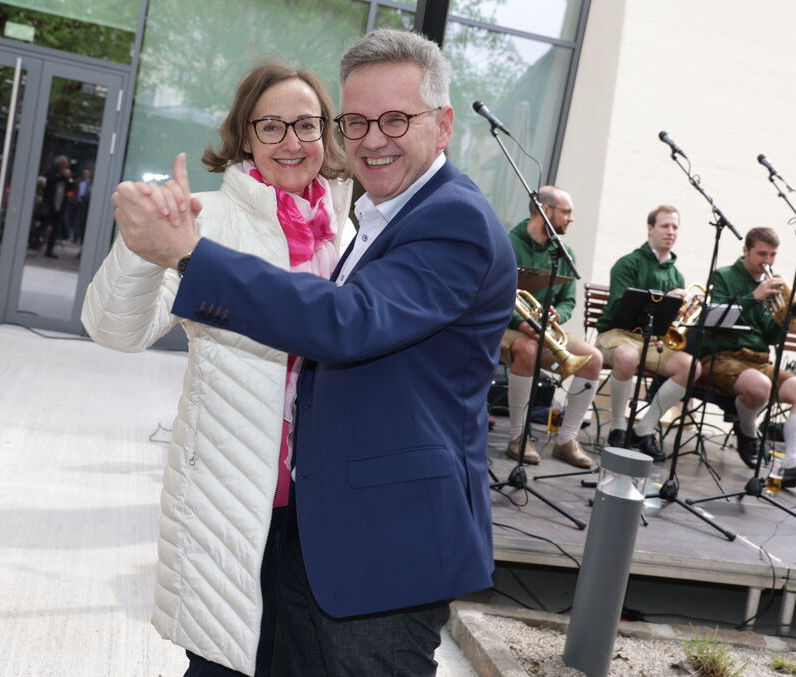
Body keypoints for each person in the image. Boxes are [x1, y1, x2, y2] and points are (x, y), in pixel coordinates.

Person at [108, 29, 515, 677]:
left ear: (442, 126)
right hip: (313, 530)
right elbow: (118, 325)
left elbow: (347, 323)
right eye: (357, 121)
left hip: (388, 542)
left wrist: (191, 256)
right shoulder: (374, 215)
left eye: (395, 119)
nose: (372, 139)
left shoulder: (452, 218)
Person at [83, 62, 352, 676]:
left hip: (320, 504)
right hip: (231, 498)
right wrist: (144, 248)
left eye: (306, 125)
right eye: (271, 126)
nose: (291, 142)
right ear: (245, 135)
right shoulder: (206, 219)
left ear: (326, 130)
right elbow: (116, 331)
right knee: (222, 666)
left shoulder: (346, 228)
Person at [699, 226, 796, 487]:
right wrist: (753, 298)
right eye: (761, 254)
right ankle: (747, 431)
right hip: (722, 355)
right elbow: (715, 321)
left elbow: (769, 337)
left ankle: (793, 463)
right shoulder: (723, 276)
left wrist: (785, 320)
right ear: (746, 250)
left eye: (772, 255)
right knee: (760, 387)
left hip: (759, 360)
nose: (767, 261)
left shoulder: (773, 286)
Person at [501, 188, 601, 469]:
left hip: (544, 328)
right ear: (545, 210)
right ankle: (518, 437)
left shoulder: (564, 253)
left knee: (593, 359)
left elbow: (569, 301)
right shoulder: (508, 243)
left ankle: (566, 440)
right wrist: (521, 322)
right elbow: (492, 294)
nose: (571, 218)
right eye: (566, 212)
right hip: (508, 325)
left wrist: (558, 315)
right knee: (528, 349)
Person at [593, 205, 701, 461]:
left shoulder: (676, 275)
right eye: (665, 226)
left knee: (691, 367)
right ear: (650, 229)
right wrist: (665, 299)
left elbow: (671, 322)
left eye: (675, 227)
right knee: (627, 356)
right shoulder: (628, 263)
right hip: (618, 334)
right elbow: (621, 308)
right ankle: (618, 427)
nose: (671, 232)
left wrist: (681, 312)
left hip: (653, 341)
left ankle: (644, 430)